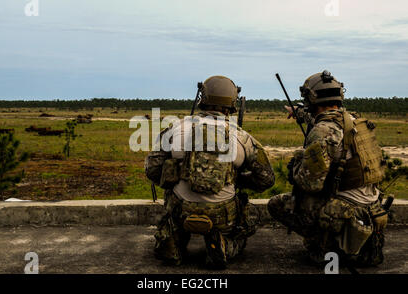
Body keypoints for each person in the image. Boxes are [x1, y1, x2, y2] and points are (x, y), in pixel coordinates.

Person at [145, 75, 275, 269]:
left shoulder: (176, 128)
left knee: (172, 194)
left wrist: (174, 179)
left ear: (202, 99)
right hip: (223, 214)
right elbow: (266, 179)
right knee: (247, 222)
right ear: (232, 103)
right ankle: (224, 245)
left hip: (182, 210)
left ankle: (173, 242)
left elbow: (152, 169)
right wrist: (237, 180)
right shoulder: (242, 137)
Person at [268, 70, 388, 266]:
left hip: (344, 211)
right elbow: (323, 119)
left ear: (311, 98)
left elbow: (311, 184)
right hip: (370, 210)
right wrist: (298, 112)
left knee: (278, 204)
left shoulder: (322, 132)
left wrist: (296, 167)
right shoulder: (354, 122)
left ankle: (325, 245)